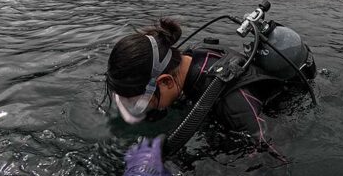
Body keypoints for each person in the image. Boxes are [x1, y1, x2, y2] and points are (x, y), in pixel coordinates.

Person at [105, 18, 316, 147]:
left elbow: (272, 159)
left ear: (167, 82)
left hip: (286, 110)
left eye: (139, 102)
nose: (140, 109)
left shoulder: (233, 104)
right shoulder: (187, 60)